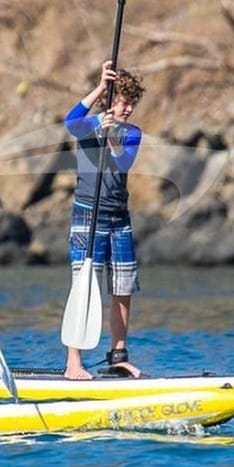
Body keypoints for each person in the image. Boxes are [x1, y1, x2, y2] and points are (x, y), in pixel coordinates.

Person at [64, 60, 145, 380]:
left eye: (131, 104)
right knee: (84, 286)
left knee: (122, 289)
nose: (127, 109)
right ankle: (74, 362)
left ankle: (118, 355)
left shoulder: (133, 133)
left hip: (118, 217)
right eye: (123, 102)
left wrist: (113, 137)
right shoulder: (88, 125)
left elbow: (123, 163)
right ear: (109, 101)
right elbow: (70, 122)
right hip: (88, 213)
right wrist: (99, 86)